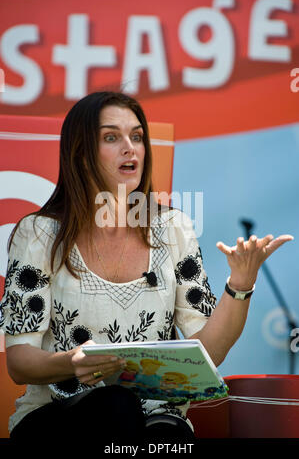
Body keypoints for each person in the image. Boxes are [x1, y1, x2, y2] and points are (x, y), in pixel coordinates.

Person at [0, 91, 293, 446]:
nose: (131, 147)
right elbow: (19, 361)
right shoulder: (39, 233)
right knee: (117, 406)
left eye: (137, 136)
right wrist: (71, 362)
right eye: (112, 137)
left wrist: (240, 284)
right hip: (58, 417)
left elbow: (208, 351)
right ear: (80, 152)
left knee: (167, 434)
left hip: (155, 417)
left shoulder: (174, 229)